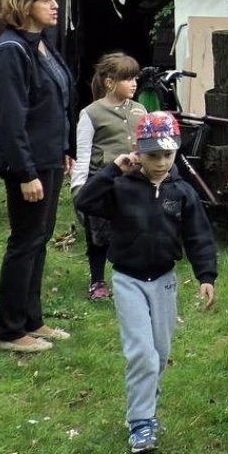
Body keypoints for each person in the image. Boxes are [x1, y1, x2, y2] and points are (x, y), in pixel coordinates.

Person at [73, 111, 217, 454]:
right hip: (128, 280)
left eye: (168, 155)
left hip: (164, 280)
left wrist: (206, 276)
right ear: (138, 151)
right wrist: (111, 170)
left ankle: (146, 408)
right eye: (153, 155)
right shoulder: (121, 186)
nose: (161, 162)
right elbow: (84, 202)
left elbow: (198, 235)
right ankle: (140, 422)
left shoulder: (181, 191)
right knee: (142, 354)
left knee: (160, 353)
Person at [0, 0, 75, 353]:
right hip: (28, 166)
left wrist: (64, 149)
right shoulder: (10, 51)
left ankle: (31, 320)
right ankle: (7, 331)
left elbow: (54, 102)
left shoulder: (41, 45)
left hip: (49, 158)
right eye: (45, 0)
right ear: (24, 5)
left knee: (40, 239)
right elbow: (9, 119)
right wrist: (25, 173)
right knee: (24, 241)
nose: (55, 5)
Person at [71, 52, 147, 300]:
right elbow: (82, 155)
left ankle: (132, 278)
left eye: (135, 78)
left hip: (133, 183)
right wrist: (79, 187)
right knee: (98, 238)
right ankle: (97, 281)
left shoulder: (140, 110)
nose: (134, 83)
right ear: (109, 82)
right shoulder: (91, 113)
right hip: (103, 184)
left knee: (132, 231)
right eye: (127, 78)